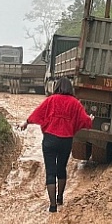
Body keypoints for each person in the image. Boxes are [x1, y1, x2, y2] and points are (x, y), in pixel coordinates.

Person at [19, 77, 93, 212]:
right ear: (70, 88)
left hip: (50, 140)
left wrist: (27, 122)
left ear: (57, 87)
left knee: (50, 172)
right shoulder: (75, 103)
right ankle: (60, 198)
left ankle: (52, 206)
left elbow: (38, 112)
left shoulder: (51, 100)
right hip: (66, 141)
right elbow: (84, 120)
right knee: (61, 169)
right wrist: (90, 119)